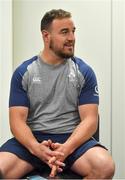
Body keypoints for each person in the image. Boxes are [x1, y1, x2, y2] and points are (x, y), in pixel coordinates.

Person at [0, 9, 115, 179]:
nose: (72, 38)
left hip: (73, 141)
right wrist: (36, 148)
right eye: (64, 32)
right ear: (46, 36)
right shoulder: (24, 72)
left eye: (73, 31)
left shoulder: (84, 72)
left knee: (105, 166)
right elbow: (16, 121)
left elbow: (90, 120)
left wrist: (65, 149)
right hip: (33, 141)